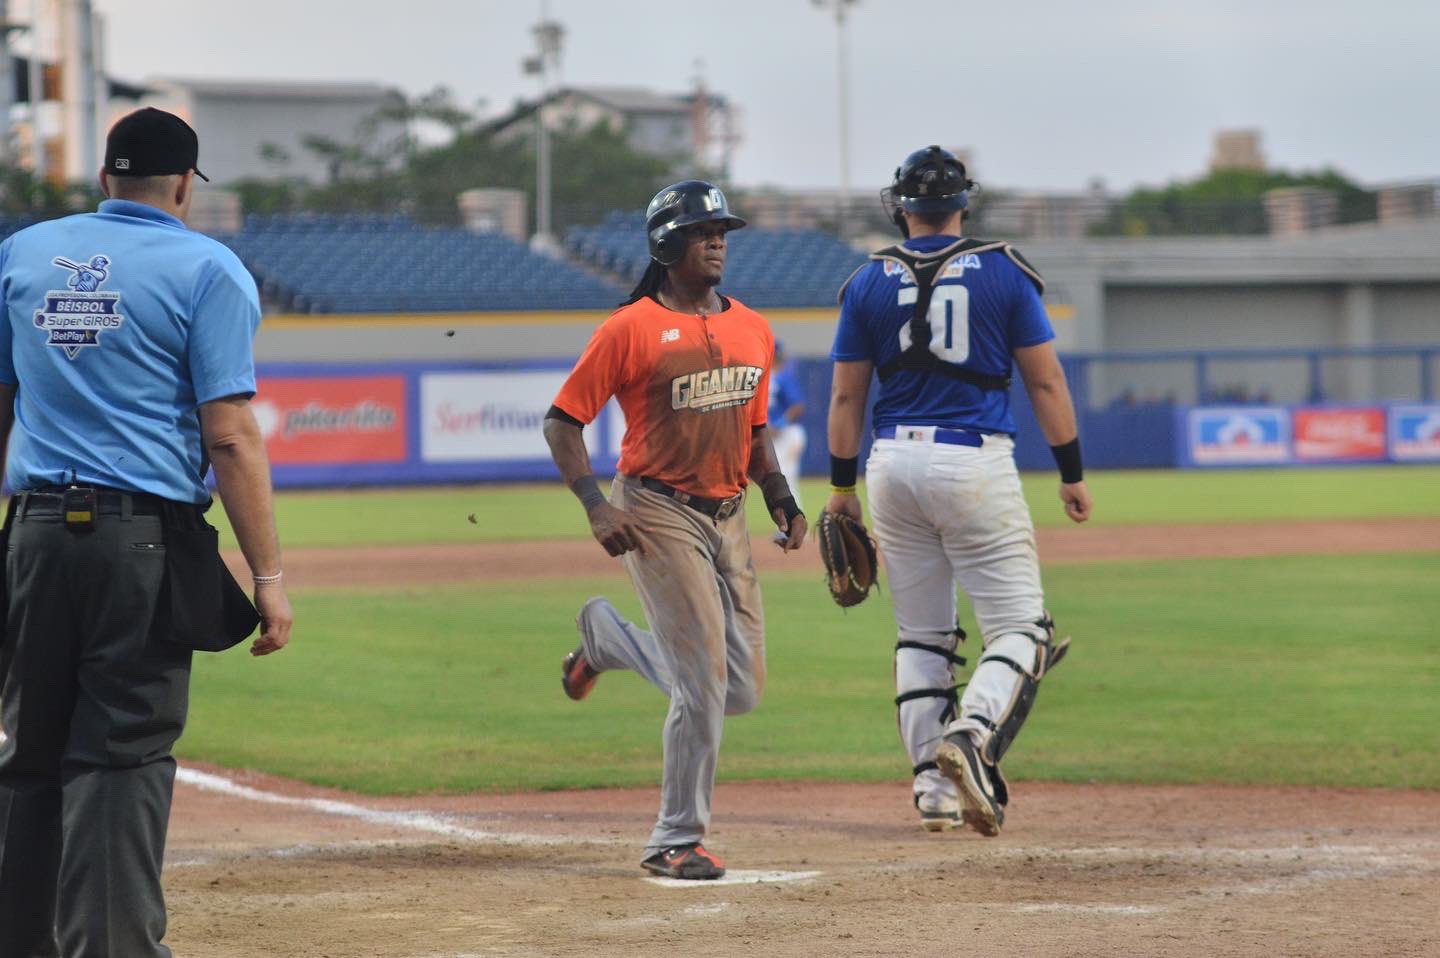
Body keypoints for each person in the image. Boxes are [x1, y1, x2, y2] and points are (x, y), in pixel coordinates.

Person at [0, 107, 293, 957]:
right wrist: (267, 576)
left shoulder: (20, 254)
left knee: (31, 754)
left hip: (34, 536)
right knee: (120, 754)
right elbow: (230, 434)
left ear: (104, 181)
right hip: (136, 541)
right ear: (183, 188)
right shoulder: (208, 268)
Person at [824, 146, 1092, 836]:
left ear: (899, 207)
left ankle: (932, 794)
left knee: (922, 633)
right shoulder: (1004, 271)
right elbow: (1046, 382)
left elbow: (847, 396)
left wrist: (839, 490)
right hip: (971, 460)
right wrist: (1070, 471)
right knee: (1024, 632)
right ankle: (972, 736)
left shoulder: (866, 282)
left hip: (890, 463)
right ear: (963, 205)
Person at [543, 180, 806, 880]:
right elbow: (562, 421)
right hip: (657, 511)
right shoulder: (629, 327)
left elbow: (754, 429)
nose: (718, 240)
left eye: (722, 229)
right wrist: (596, 504)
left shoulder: (753, 327)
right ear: (667, 245)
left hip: (730, 515)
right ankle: (673, 839)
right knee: (702, 683)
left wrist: (780, 495)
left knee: (739, 690)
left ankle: (607, 638)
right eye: (702, 230)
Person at [767, 340, 808, 509]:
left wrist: (780, 423)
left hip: (788, 433)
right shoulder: (766, 377)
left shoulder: (783, 377)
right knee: (779, 477)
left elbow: (798, 406)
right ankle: (789, 522)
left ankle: (793, 522)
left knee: (785, 475)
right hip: (774, 436)